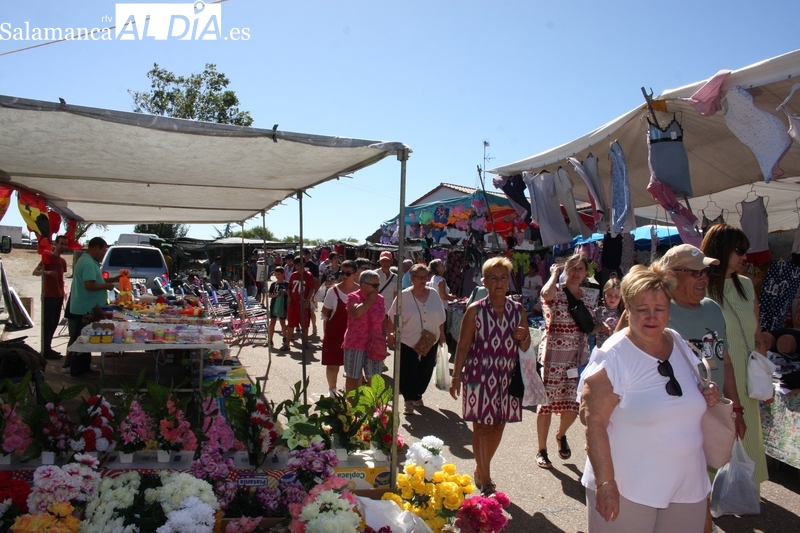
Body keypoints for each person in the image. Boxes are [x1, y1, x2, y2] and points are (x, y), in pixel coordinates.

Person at [579, 264, 720, 532]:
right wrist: (606, 483)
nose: (652, 317)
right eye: (642, 309)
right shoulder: (613, 355)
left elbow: (692, 392)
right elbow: (593, 422)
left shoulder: (677, 341)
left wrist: (709, 394)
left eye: (660, 309)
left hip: (687, 486)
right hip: (628, 488)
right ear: (628, 309)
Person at [449, 257, 530, 496]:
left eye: (503, 277)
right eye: (493, 278)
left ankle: (480, 467)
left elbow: (525, 348)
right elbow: (463, 346)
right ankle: (486, 479)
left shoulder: (518, 310)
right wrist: (456, 376)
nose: (499, 282)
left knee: (498, 426)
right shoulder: (475, 309)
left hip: (507, 376)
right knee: (482, 427)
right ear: (484, 281)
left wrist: (524, 337)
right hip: (479, 375)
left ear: (509, 281)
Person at [700, 224, 769, 492]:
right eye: (739, 250)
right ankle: (715, 491)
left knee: (748, 433)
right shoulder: (701, 286)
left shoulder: (746, 285)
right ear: (722, 249)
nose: (745, 256)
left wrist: (765, 373)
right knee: (719, 432)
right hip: (719, 373)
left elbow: (757, 332)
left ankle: (744, 490)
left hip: (748, 375)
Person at [537, 254, 608, 469]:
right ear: (566, 270)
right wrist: (554, 274)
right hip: (553, 354)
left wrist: (605, 327)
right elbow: (545, 294)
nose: (576, 272)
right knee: (546, 403)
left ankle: (561, 435)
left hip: (577, 355)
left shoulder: (587, 297)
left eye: (581, 269)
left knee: (573, 402)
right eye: (573, 268)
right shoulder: (556, 290)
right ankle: (542, 449)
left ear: (587, 273)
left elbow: (588, 326)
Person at [388, 263, 447, 416]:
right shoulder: (404, 296)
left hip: (430, 340)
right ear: (412, 278)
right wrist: (391, 335)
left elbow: (440, 317)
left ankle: (417, 394)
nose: (423, 280)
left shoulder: (434, 294)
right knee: (407, 371)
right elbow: (392, 317)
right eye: (419, 277)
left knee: (425, 370)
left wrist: (442, 337)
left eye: (425, 277)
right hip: (408, 339)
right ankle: (408, 400)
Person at [67, 237, 120, 378]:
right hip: (85, 308)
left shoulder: (88, 261)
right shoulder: (89, 263)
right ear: (96, 247)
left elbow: (96, 280)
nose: (103, 253)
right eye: (103, 250)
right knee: (83, 339)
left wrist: (113, 280)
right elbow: (89, 285)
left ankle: (84, 367)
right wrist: (107, 286)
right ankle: (77, 370)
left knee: (86, 338)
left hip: (87, 307)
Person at [342, 270, 388, 393]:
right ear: (363, 285)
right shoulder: (353, 297)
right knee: (353, 377)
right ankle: (351, 408)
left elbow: (383, 319)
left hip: (375, 344)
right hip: (356, 344)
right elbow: (357, 313)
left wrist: (384, 338)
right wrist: (370, 300)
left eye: (378, 285)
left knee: (375, 379)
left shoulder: (381, 299)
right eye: (374, 285)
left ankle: (372, 408)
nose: (377, 288)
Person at [321, 260, 359, 396]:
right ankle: (332, 391)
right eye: (342, 273)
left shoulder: (361, 291)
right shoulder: (333, 291)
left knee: (355, 367)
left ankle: (351, 395)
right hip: (335, 334)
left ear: (355, 274)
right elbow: (325, 314)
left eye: (348, 273)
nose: (344, 276)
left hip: (355, 336)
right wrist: (326, 335)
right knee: (332, 365)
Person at [32, 234, 69, 361]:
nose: (63, 246)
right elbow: (35, 272)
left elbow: (61, 279)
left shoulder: (63, 261)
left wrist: (64, 291)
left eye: (65, 244)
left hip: (59, 295)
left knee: (54, 324)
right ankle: (46, 350)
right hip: (49, 295)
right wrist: (47, 272)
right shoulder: (47, 258)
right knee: (48, 324)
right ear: (56, 244)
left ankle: (48, 348)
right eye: (61, 244)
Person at [286, 256, 315, 349]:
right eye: (297, 265)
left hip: (303, 303)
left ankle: (305, 342)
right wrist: (289, 296)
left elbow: (311, 288)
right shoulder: (293, 275)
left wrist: (307, 301)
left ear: (304, 264)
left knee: (305, 324)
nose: (299, 267)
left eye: (301, 264)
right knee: (291, 323)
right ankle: (287, 344)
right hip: (293, 303)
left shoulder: (308, 275)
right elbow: (290, 287)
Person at [594, 278, 623, 349]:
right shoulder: (598, 312)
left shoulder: (623, 313)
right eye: (609, 295)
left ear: (621, 296)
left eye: (617, 296)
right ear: (604, 294)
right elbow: (590, 331)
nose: (613, 299)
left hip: (617, 350)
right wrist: (601, 326)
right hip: (601, 349)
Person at [267, 266, 289, 350]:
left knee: (283, 323)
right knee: (272, 322)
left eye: (279, 274)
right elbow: (269, 295)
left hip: (283, 305)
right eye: (276, 274)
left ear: (283, 274)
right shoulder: (273, 284)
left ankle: (285, 339)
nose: (277, 276)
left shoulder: (286, 284)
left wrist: (285, 291)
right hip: (274, 304)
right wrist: (276, 295)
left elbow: (289, 294)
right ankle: (270, 340)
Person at [302, 248, 320, 336]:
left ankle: (314, 326)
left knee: (311, 311)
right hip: (301, 291)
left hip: (311, 291)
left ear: (308, 255)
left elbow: (316, 280)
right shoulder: (299, 264)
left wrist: (315, 292)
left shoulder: (313, 266)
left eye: (303, 254)